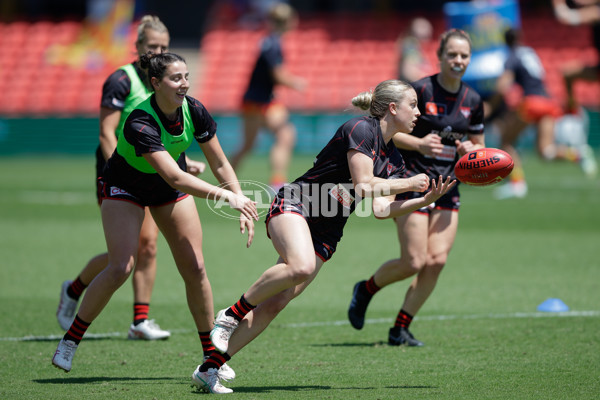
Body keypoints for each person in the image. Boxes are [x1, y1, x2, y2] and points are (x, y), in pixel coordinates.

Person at [191, 79, 457, 394]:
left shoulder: (394, 158)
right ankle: (229, 315)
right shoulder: (360, 129)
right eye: (413, 105)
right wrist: (410, 183)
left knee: (278, 301)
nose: (418, 112)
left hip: (328, 230)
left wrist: (424, 201)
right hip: (297, 204)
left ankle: (209, 369)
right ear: (393, 108)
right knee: (300, 266)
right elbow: (364, 185)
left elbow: (382, 210)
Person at [51, 52, 259, 381]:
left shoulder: (195, 110)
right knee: (121, 266)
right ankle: (70, 340)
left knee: (196, 267)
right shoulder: (140, 120)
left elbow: (219, 162)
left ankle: (210, 358)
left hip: (165, 190)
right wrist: (226, 196)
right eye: (176, 78)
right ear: (155, 83)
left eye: (186, 76)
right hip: (125, 186)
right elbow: (175, 177)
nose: (184, 83)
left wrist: (241, 198)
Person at [55, 16, 208, 340]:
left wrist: (184, 162)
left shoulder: (167, 82)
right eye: (152, 46)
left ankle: (140, 320)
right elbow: (107, 133)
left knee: (147, 246)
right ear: (138, 47)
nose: (157, 51)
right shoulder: (121, 80)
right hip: (121, 172)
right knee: (125, 256)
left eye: (163, 47)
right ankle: (75, 288)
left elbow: (163, 138)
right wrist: (126, 177)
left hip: (156, 169)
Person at [347, 29, 485, 347]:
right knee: (414, 261)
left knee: (436, 260)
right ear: (439, 55)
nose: (458, 60)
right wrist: (420, 144)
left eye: (464, 55)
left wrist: (471, 152)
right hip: (411, 178)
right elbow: (389, 132)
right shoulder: (420, 89)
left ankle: (400, 329)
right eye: (452, 54)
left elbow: (481, 147)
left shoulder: (474, 100)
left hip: (448, 185)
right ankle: (366, 289)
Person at [491, 27, 596, 199]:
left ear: (505, 42)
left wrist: (492, 103)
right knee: (546, 151)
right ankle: (577, 154)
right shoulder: (530, 52)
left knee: (505, 139)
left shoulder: (512, 55)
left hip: (532, 103)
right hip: (548, 101)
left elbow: (503, 86)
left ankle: (517, 184)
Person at [230, 2, 306, 190]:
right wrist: (296, 83)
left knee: (251, 144)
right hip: (260, 101)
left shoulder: (268, 41)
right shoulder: (273, 43)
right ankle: (276, 183)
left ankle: (227, 180)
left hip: (256, 100)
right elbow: (277, 75)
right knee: (284, 134)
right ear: (287, 21)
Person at [397, 17, 435, 83]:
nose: (429, 31)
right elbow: (409, 72)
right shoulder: (410, 46)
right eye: (424, 27)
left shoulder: (414, 46)